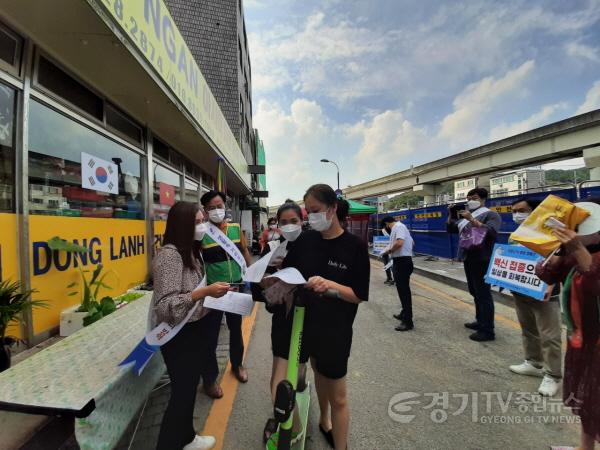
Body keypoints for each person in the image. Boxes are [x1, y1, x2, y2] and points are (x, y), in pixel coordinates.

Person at [282, 184, 370, 450]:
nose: (311, 217)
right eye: (308, 212)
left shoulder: (354, 246)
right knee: (318, 374)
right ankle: (323, 420)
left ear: (332, 209)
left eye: (315, 210)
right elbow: (288, 273)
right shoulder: (306, 240)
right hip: (304, 325)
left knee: (339, 396)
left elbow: (358, 294)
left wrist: (330, 284)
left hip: (335, 330)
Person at [151, 202, 230, 450]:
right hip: (178, 335)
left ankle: (187, 438)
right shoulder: (169, 256)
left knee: (187, 392)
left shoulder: (192, 251)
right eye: (196, 222)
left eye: (202, 220)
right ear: (182, 225)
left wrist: (219, 295)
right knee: (181, 395)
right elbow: (165, 306)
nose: (203, 225)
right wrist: (203, 292)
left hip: (196, 329)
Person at [535, 200, 600, 450]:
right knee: (587, 400)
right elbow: (546, 273)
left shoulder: (587, 254)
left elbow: (594, 280)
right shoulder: (573, 253)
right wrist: (561, 250)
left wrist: (576, 248)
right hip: (581, 338)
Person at [257, 201, 310, 447]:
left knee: (279, 386)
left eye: (293, 221)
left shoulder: (313, 247)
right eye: (283, 222)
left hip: (302, 322)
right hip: (283, 321)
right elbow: (269, 284)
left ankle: (294, 430)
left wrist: (267, 288)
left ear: (302, 220)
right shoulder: (279, 248)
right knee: (286, 373)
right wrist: (266, 280)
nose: (289, 226)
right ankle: (291, 420)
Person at [200, 191, 253, 396]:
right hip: (213, 293)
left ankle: (237, 365)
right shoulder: (202, 233)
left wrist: (252, 272)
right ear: (205, 211)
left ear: (225, 206)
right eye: (212, 207)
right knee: (210, 337)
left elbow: (245, 251)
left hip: (236, 289)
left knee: (236, 330)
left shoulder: (235, 228)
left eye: (219, 205)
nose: (216, 210)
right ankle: (209, 379)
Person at [508, 198, 562, 397]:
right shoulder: (516, 235)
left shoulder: (550, 235)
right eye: (514, 211)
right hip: (520, 288)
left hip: (544, 291)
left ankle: (553, 375)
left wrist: (551, 284)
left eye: (521, 210)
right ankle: (533, 362)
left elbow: (559, 262)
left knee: (550, 335)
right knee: (528, 329)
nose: (516, 215)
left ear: (535, 211)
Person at [447, 187, 501, 342]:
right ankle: (480, 320)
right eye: (469, 198)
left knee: (484, 294)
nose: (471, 200)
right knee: (474, 291)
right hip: (468, 257)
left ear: (483, 199)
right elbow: (450, 228)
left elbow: (491, 232)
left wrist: (472, 219)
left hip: (482, 258)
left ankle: (488, 330)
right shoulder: (464, 217)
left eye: (475, 197)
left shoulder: (491, 214)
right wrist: (451, 213)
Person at [381, 216, 415, 331]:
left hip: (402, 262)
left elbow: (400, 243)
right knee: (402, 290)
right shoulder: (402, 227)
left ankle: (408, 322)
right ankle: (404, 313)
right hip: (402, 261)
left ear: (386, 224)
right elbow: (412, 243)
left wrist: (388, 251)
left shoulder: (398, 227)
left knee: (404, 292)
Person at [380, 219, 395, 285]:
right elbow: (380, 240)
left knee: (391, 265)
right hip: (386, 250)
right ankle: (390, 278)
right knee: (387, 265)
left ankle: (392, 278)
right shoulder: (383, 230)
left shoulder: (394, 229)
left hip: (391, 250)